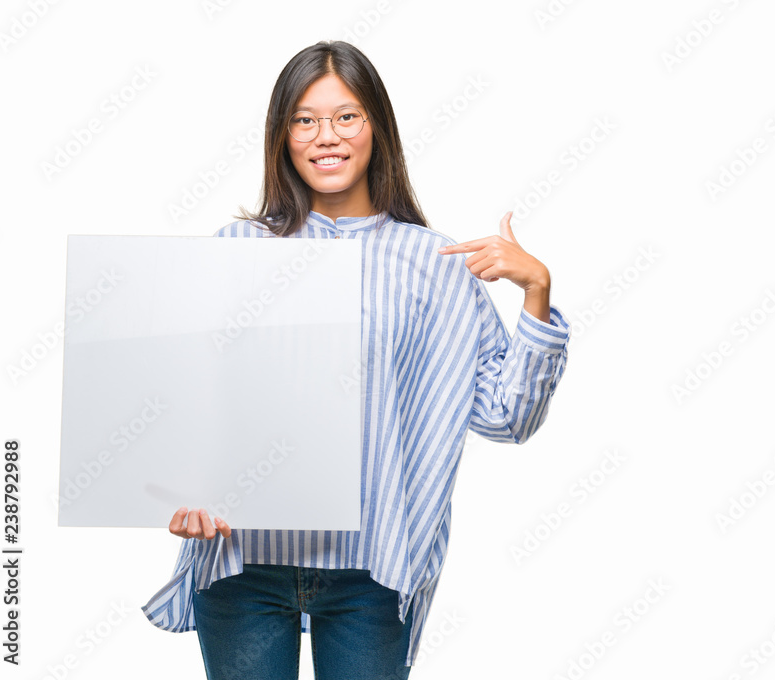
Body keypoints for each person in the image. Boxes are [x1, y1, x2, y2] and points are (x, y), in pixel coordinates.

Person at [141, 39, 571, 679]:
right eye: (304, 120)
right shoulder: (240, 248)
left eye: (346, 116)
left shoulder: (433, 263)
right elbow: (188, 403)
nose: (326, 137)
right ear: (282, 136)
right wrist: (181, 489)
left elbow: (509, 419)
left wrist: (536, 293)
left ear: (377, 127)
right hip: (244, 565)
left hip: (371, 569)